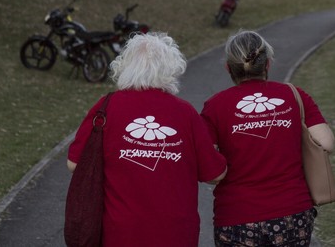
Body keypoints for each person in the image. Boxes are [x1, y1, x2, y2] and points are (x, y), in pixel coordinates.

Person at [67, 32, 227, 247]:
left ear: (124, 66)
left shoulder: (106, 107)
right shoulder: (185, 113)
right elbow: (215, 174)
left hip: (120, 233)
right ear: (170, 69)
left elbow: (74, 163)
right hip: (176, 234)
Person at [201, 30, 335, 247]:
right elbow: (326, 143)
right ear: (268, 64)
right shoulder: (294, 95)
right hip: (292, 214)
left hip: (237, 219)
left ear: (228, 68)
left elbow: (212, 173)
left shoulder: (214, 106)